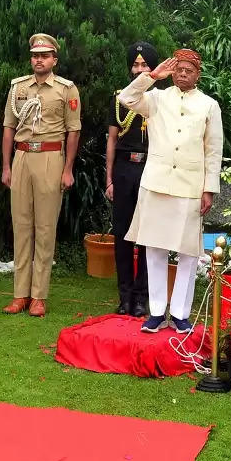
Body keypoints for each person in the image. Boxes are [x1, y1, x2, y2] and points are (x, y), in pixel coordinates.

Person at [118, 48, 223, 334]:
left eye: (189, 69)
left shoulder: (209, 105)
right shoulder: (157, 97)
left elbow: (213, 151)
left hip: (190, 186)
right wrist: (151, 77)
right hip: (157, 182)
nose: (183, 73)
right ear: (172, 71)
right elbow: (125, 99)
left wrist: (209, 189)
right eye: (178, 69)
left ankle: (180, 313)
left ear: (198, 74)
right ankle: (155, 311)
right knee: (154, 248)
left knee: (188, 253)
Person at [1, 33, 81, 319]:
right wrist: (7, 166)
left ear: (54, 60)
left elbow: (73, 131)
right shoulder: (18, 87)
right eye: (35, 55)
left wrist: (68, 168)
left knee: (45, 230)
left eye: (44, 55)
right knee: (21, 227)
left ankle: (39, 297)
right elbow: (8, 128)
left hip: (50, 157)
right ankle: (20, 294)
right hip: (22, 156)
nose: (39, 59)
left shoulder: (66, 89)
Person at [106, 41, 158, 316]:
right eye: (135, 65)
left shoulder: (161, 98)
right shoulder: (119, 97)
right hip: (125, 169)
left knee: (148, 235)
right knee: (123, 234)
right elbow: (112, 140)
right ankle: (124, 296)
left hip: (151, 169)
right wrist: (109, 179)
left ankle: (141, 297)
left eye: (145, 65)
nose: (139, 70)